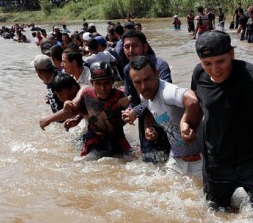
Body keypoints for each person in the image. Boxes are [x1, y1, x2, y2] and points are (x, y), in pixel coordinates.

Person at [191, 30, 253, 216]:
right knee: (217, 217)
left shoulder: (250, 76)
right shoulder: (198, 75)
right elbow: (199, 104)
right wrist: (188, 123)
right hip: (216, 164)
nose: (215, 69)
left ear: (232, 54)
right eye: (207, 64)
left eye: (221, 61)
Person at [126, 55, 204, 177]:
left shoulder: (166, 92)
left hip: (200, 158)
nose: (143, 86)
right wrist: (149, 127)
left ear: (157, 74)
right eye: (138, 82)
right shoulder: (145, 96)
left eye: (147, 79)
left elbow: (193, 101)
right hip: (176, 159)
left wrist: (186, 123)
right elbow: (150, 112)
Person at [121, 30, 173, 164]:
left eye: (135, 46)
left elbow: (158, 98)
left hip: (163, 117)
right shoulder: (128, 69)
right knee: (149, 160)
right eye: (127, 47)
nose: (130, 50)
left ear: (145, 47)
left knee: (168, 158)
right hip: (144, 117)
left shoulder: (160, 66)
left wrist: (135, 111)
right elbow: (132, 97)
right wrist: (129, 109)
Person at [64, 61, 132, 159]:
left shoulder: (120, 96)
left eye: (107, 83)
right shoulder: (87, 94)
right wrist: (76, 118)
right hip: (94, 137)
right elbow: (81, 108)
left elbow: (141, 101)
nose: (103, 88)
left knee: (131, 158)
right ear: (92, 83)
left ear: (113, 81)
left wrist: (130, 102)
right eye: (98, 83)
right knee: (86, 161)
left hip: (117, 137)